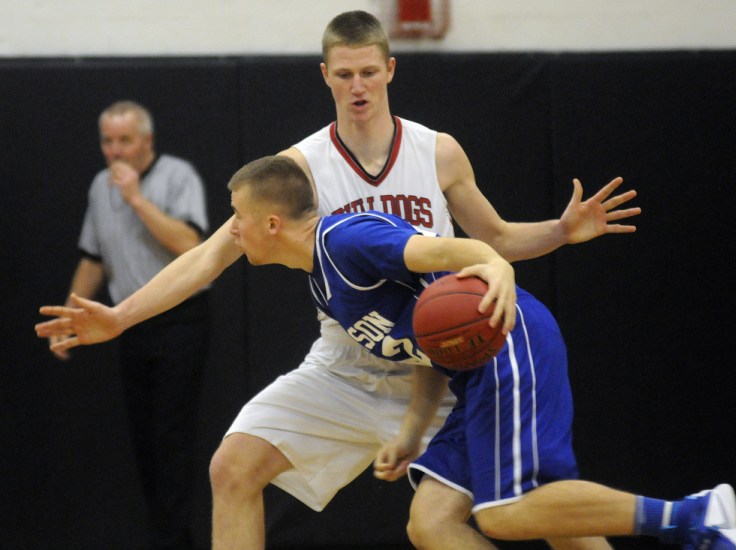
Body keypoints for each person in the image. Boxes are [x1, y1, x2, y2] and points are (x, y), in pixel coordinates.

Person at [38, 11, 641, 549]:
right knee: (232, 467)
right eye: (345, 74)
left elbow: (498, 240)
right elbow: (209, 256)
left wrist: (560, 232)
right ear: (325, 75)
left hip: (441, 362)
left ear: (390, 70)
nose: (358, 86)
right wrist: (119, 318)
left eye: (369, 73)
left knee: (538, 504)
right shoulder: (298, 167)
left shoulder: (439, 152)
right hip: (347, 363)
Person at [37, 156, 736, 550]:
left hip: (511, 338)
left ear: (271, 223)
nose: (233, 233)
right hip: (469, 365)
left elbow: (447, 249)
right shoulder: (323, 278)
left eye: (238, 221)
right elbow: (428, 350)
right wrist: (410, 434)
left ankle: (693, 515)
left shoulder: (347, 240)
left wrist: (495, 268)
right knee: (433, 524)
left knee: (506, 513)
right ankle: (686, 519)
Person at [50, 100, 211, 549]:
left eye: (125, 140)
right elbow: (93, 258)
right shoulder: (100, 186)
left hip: (179, 319)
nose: (115, 151)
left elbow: (191, 244)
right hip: (127, 322)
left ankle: (175, 540)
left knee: (171, 435)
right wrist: (70, 313)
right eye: (108, 141)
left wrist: (136, 198)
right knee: (143, 440)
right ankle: (164, 536)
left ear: (147, 142)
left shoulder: (178, 176)